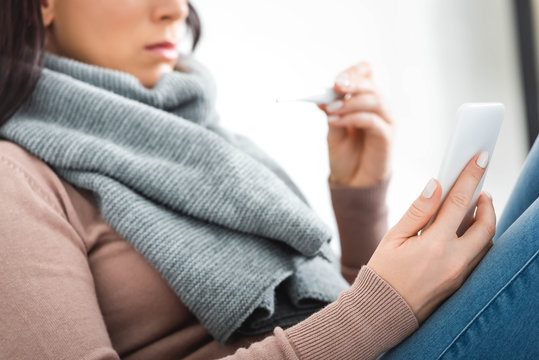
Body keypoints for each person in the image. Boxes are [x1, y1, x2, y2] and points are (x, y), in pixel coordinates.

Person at [0, 1, 536, 359]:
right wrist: (379, 305)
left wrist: (358, 200)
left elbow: (327, 315)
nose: (175, 10)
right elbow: (358, 322)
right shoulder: (16, 178)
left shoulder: (205, 138)